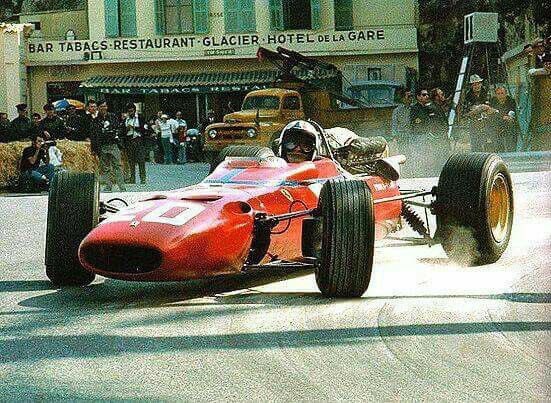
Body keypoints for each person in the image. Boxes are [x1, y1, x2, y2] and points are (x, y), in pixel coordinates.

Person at [410, 87, 449, 175]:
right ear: (418, 97)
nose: (426, 96)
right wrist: (432, 134)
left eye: (427, 94)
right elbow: (419, 124)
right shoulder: (417, 108)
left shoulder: (432, 107)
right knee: (422, 159)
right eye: (424, 95)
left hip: (432, 136)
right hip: (421, 136)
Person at [89, 100, 126, 192]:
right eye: (101, 106)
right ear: (98, 108)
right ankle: (108, 186)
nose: (103, 108)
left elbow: (119, 129)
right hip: (102, 146)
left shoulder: (113, 117)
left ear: (107, 107)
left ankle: (122, 186)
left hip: (113, 144)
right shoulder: (95, 120)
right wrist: (94, 148)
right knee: (105, 168)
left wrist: (119, 141)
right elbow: (93, 135)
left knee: (117, 166)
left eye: (105, 106)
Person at [489, 86, 518, 152]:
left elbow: (511, 113)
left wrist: (497, 113)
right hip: (496, 125)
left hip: (508, 125)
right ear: (496, 95)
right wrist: (500, 115)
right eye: (498, 94)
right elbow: (491, 113)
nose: (500, 96)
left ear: (506, 93)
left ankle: (511, 151)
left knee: (510, 125)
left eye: (502, 93)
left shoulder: (511, 101)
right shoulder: (493, 101)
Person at [123, 102, 147, 184]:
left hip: (138, 140)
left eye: (132, 111)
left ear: (135, 110)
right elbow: (122, 132)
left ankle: (143, 178)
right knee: (131, 161)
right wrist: (126, 129)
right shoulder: (126, 119)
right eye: (129, 111)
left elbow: (144, 130)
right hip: (129, 141)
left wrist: (133, 127)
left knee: (141, 160)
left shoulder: (140, 118)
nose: (131, 113)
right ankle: (132, 178)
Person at [391, 87, 412, 154]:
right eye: (408, 96)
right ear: (403, 98)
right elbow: (394, 124)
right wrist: (394, 136)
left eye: (411, 96)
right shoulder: (397, 111)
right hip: (402, 137)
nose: (410, 98)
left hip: (413, 135)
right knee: (403, 153)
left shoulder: (415, 109)